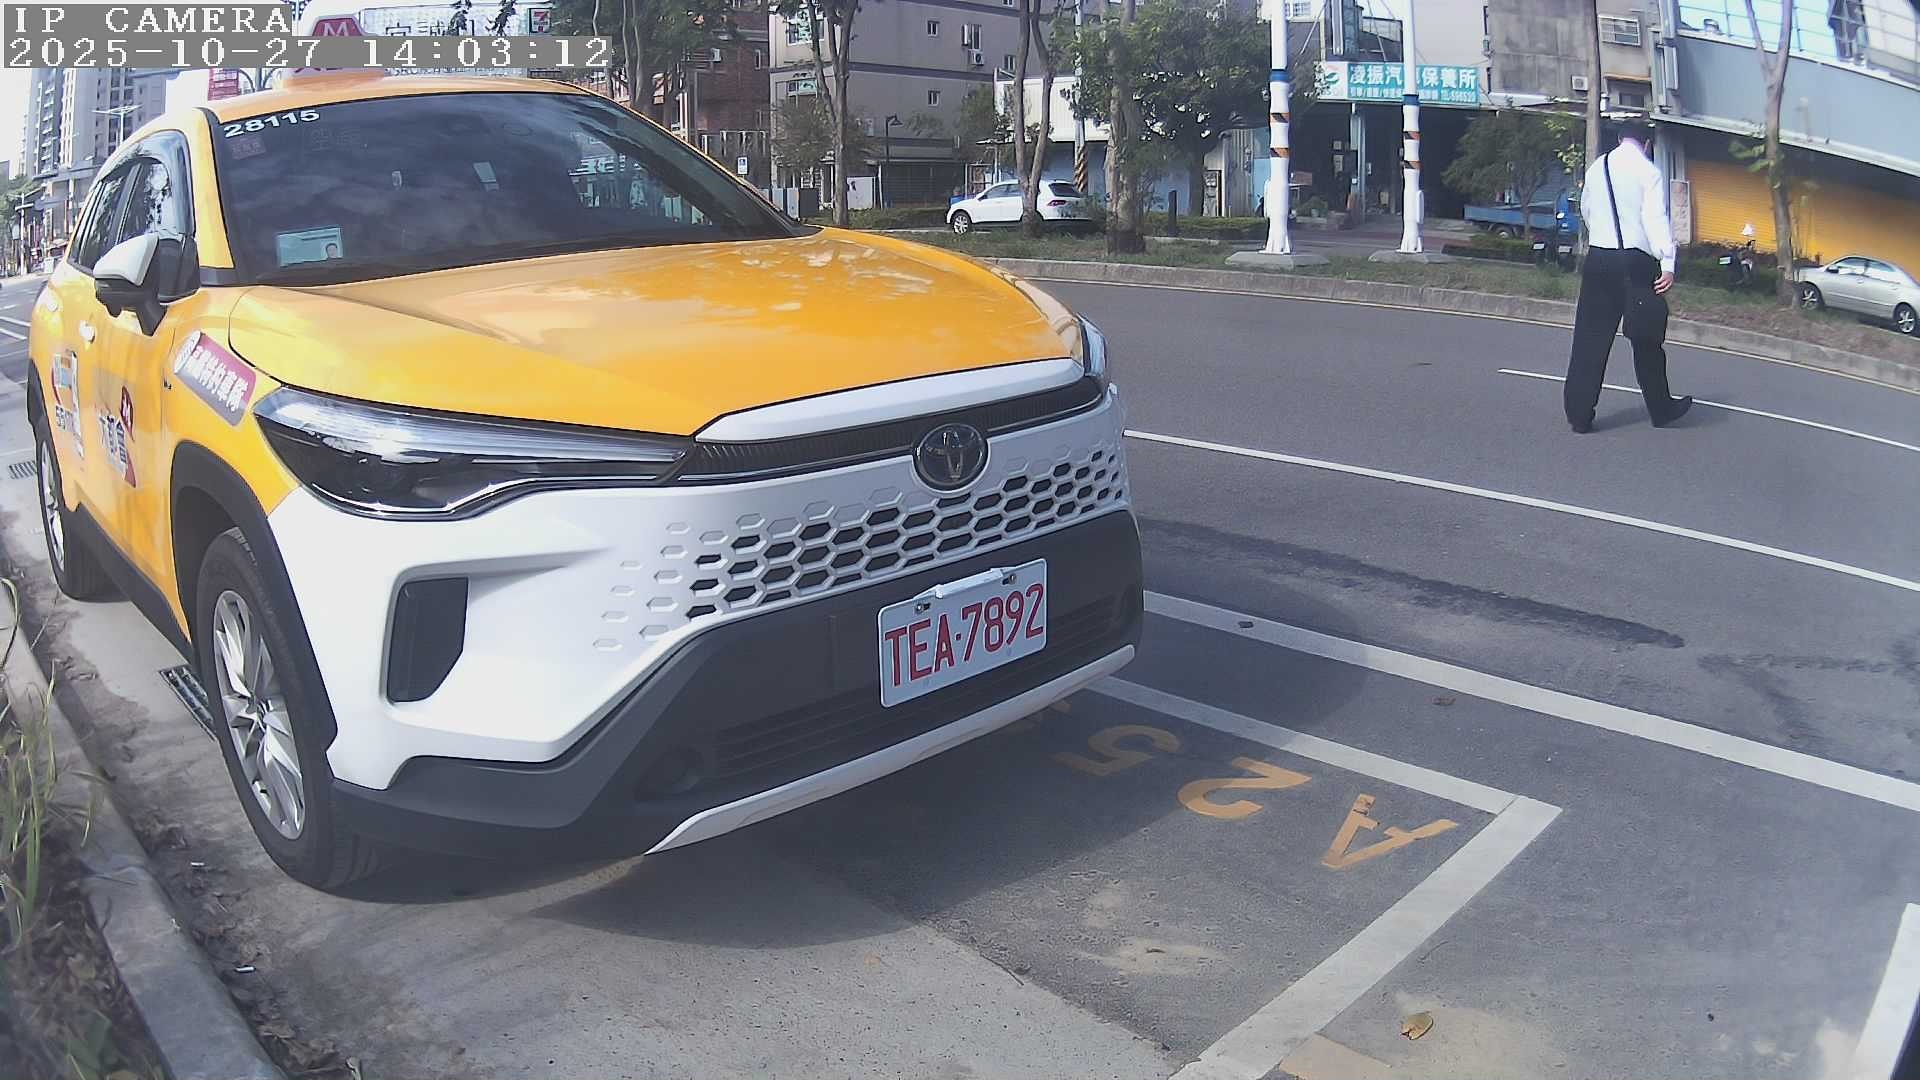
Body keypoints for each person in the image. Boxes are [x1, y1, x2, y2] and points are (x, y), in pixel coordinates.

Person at [1564, 119, 1692, 433]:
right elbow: (1655, 218)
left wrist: (1602, 236)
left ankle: (1579, 415)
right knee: (1646, 337)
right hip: (1636, 262)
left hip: (1598, 258)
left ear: (1620, 138)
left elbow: (1587, 210)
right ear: (1647, 144)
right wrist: (1668, 261)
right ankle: (1661, 409)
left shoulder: (1598, 167)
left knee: (1589, 339)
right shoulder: (1648, 172)